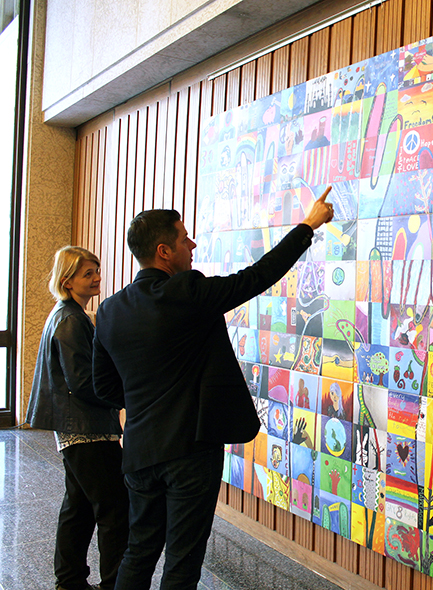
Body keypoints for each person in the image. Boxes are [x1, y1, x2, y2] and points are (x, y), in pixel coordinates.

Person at [92, 189, 334, 589]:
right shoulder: (187, 292)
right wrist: (308, 225)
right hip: (191, 451)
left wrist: (145, 398)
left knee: (138, 551)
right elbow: (256, 277)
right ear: (163, 251)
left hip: (139, 452)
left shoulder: (111, 310)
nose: (192, 244)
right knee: (183, 561)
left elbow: (104, 386)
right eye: (184, 238)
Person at [26, 246, 128, 590]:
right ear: (67, 281)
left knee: (79, 507)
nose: (97, 277)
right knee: (115, 510)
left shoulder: (67, 314)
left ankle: (69, 580)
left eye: (97, 270)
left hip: (76, 429)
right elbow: (84, 382)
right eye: (88, 273)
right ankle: (113, 582)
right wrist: (126, 397)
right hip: (88, 431)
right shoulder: (71, 319)